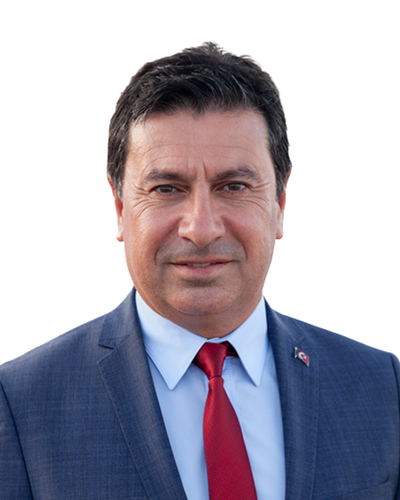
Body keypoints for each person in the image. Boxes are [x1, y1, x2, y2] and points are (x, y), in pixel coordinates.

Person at [0, 43, 399, 500]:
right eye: (167, 188)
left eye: (234, 186)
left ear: (280, 204)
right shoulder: (21, 405)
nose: (201, 228)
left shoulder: (381, 388)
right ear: (120, 208)